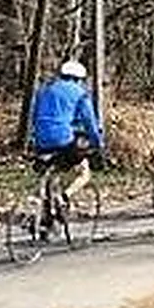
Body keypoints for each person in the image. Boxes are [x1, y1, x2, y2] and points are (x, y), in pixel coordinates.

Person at [29, 59, 105, 208]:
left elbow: (35, 116)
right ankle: (64, 196)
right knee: (83, 171)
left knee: (54, 168)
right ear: (78, 79)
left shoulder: (44, 89)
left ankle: (46, 210)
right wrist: (98, 143)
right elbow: (90, 122)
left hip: (40, 140)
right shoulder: (80, 94)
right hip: (62, 140)